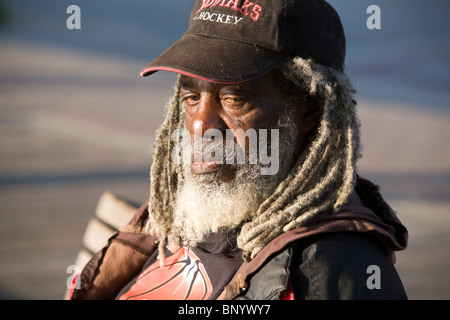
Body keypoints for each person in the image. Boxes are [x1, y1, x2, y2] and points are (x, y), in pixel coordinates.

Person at [70, 0, 408, 300]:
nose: (201, 126)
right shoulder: (178, 215)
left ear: (308, 110)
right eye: (191, 97)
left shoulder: (330, 269)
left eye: (234, 99)